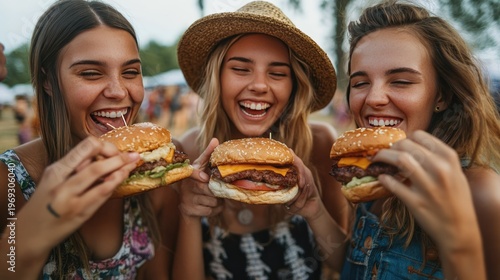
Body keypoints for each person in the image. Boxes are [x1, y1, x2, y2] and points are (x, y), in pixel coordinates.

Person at [0, 0, 179, 279]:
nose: (119, 91)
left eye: (130, 72)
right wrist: (26, 242)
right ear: (48, 81)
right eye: (91, 73)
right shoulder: (8, 182)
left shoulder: (155, 178)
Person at [172, 1, 350, 279]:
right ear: (217, 77)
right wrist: (189, 215)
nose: (259, 85)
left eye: (278, 73)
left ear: (294, 87)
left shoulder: (319, 144)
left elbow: (344, 267)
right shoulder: (187, 154)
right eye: (241, 69)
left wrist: (315, 214)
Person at [339, 0, 500, 279]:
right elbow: (354, 268)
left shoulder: (482, 194)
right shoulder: (369, 184)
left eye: (401, 81)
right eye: (360, 83)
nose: (374, 98)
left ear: (441, 96)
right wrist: (314, 208)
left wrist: (460, 247)